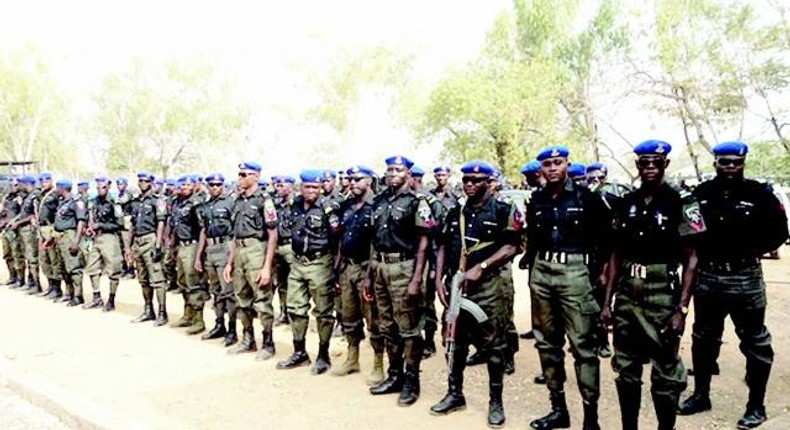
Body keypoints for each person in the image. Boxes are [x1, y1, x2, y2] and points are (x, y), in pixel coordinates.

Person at [679, 141, 789, 429]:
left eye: (736, 162)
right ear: (715, 162)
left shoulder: (760, 194)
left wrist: (752, 249)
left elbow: (780, 231)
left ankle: (756, 405)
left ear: (743, 163)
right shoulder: (700, 195)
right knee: (703, 339)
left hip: (746, 277)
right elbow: (689, 232)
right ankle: (701, 395)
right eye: (724, 162)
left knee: (755, 342)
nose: (730, 167)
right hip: (709, 277)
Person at [599, 140, 703, 430]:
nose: (650, 169)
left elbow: (692, 258)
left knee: (666, 368)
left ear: (665, 165)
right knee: (626, 368)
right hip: (628, 292)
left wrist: (681, 308)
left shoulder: (682, 201)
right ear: (638, 166)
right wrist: (607, 302)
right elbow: (616, 254)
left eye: (656, 163)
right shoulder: (627, 202)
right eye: (645, 163)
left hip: (662, 292)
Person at [521, 145, 609, 430]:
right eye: (546, 164)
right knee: (547, 344)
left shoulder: (588, 198)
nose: (552, 168)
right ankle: (558, 409)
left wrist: (594, 273)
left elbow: (606, 239)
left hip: (575, 273)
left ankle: (590, 418)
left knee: (583, 347)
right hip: (542, 273)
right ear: (541, 169)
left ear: (568, 165)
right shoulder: (537, 199)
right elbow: (532, 238)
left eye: (557, 163)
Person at [430, 160, 521, 428]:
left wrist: (481, 267)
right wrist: (438, 280)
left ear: (489, 183)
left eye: (476, 181)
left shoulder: (504, 209)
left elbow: (512, 247)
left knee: (493, 347)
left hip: (490, 287)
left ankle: (496, 401)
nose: (470, 185)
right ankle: (455, 394)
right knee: (454, 342)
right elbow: (443, 246)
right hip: (458, 285)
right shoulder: (455, 211)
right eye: (467, 180)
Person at [366, 155, 435, 407]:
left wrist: (417, 278)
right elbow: (374, 240)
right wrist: (368, 276)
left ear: (408, 173)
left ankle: (411, 380)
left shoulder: (417, 202)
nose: (392, 173)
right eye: (389, 169)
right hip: (380, 267)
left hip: (405, 267)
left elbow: (424, 242)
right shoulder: (379, 201)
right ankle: (394, 375)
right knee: (387, 326)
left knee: (409, 328)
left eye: (398, 169)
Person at [276, 169, 341, 374]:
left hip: (320, 263)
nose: (311, 191)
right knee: (295, 308)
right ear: (300, 187)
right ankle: (299, 352)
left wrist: (336, 269)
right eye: (307, 187)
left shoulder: (328, 207)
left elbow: (337, 239)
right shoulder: (294, 204)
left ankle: (323, 355)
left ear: (321, 188)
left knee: (322, 311)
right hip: (297, 263)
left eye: (315, 187)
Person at [222, 162, 279, 357]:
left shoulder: (264, 200)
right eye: (239, 174)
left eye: (245, 174)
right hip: (239, 252)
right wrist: (230, 262)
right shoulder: (237, 201)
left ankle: (268, 343)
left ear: (256, 176)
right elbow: (235, 236)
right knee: (241, 298)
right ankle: (248, 339)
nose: (240, 178)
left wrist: (266, 267)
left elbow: (273, 234)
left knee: (262, 300)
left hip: (257, 251)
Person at [333, 165, 384, 383]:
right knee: (349, 317)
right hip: (347, 268)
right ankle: (352, 358)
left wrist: (371, 276)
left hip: (367, 268)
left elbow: (378, 243)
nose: (352, 183)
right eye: (350, 179)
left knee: (374, 319)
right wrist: (337, 269)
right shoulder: (345, 205)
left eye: (357, 179)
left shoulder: (379, 205)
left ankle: (378, 363)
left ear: (369, 181)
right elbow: (339, 239)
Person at [195, 173, 239, 346]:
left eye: (218, 185)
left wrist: (231, 258)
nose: (215, 187)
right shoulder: (205, 206)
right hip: (210, 249)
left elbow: (235, 231)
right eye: (211, 185)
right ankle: (219, 324)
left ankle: (232, 329)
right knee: (216, 290)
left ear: (223, 186)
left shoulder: (230, 203)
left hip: (225, 247)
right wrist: (199, 255)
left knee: (228, 291)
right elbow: (204, 231)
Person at [410, 165, 445, 358]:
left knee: (426, 301)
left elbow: (436, 237)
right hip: (409, 259)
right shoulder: (407, 200)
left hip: (426, 260)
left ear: (415, 179)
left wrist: (434, 266)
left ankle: (429, 340)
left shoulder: (430, 201)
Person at [127, 172, 169, 326]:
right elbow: (132, 225)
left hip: (150, 239)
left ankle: (162, 313)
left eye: (145, 181)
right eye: (140, 181)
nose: (142, 183)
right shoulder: (136, 202)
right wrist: (128, 246)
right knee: (143, 279)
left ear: (151, 183)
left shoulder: (157, 201)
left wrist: (158, 245)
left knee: (157, 279)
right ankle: (148, 309)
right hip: (138, 241)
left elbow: (161, 222)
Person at [169, 175, 209, 335]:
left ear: (193, 186)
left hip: (192, 246)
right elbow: (174, 226)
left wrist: (199, 254)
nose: (183, 187)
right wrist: (172, 247)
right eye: (181, 184)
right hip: (181, 246)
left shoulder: (196, 204)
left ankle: (199, 320)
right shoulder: (176, 202)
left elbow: (202, 230)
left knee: (194, 283)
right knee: (182, 282)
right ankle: (188, 315)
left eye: (187, 184)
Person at [83, 177, 124, 311]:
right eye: (99, 187)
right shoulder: (93, 202)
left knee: (113, 270)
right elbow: (89, 218)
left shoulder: (114, 202)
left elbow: (119, 224)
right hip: (96, 238)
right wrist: (89, 229)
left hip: (109, 238)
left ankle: (111, 300)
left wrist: (100, 225)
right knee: (92, 267)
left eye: (104, 187)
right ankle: (96, 297)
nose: (101, 189)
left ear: (108, 187)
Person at [53, 179, 87, 307]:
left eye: (57, 187)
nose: (56, 190)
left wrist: (76, 241)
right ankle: (69, 293)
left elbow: (81, 221)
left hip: (70, 235)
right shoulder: (62, 202)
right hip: (60, 237)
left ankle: (78, 295)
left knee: (73, 267)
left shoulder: (76, 202)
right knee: (63, 267)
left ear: (62, 188)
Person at [272, 174, 296, 327]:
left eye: (282, 186)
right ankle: (283, 312)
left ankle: (295, 314)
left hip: (292, 246)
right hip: (279, 246)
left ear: (291, 186)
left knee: (295, 282)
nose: (278, 188)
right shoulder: (277, 205)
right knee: (281, 283)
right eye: (277, 185)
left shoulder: (297, 204)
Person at [11, 176, 42, 294]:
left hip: (30, 230)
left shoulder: (35, 196)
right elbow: (24, 213)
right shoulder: (27, 196)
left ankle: (36, 284)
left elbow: (34, 215)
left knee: (32, 258)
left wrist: (18, 222)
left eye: (21, 184)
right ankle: (31, 282)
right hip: (23, 230)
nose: (20, 186)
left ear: (26, 184)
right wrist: (14, 221)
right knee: (27, 257)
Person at [37, 172, 65, 300]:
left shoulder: (55, 195)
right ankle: (50, 285)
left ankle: (57, 288)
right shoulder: (41, 195)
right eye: (42, 181)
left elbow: (57, 214)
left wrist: (53, 233)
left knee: (54, 259)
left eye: (47, 180)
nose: (44, 183)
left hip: (50, 228)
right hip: (41, 228)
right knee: (44, 259)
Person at [1, 178, 24, 287]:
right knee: (7, 254)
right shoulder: (6, 197)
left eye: (15, 184)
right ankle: (12, 276)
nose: (13, 186)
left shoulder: (20, 197)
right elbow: (3, 212)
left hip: (15, 229)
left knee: (17, 254)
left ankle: (21, 278)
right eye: (11, 184)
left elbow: (24, 212)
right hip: (5, 229)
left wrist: (13, 221)